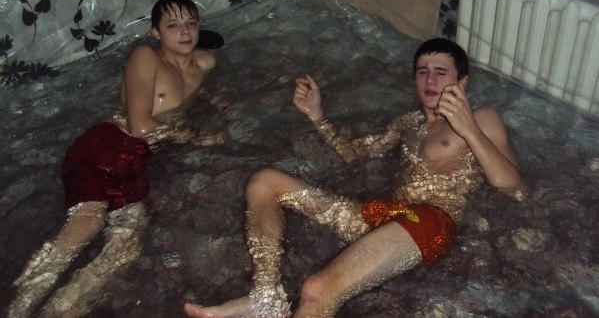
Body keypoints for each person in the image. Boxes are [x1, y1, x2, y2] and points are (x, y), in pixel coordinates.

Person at [183, 38, 525, 318]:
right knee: (265, 181)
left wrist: (468, 128)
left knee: (317, 290)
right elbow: (352, 153)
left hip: (432, 222)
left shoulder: (482, 118)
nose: (430, 81)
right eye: (423, 72)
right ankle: (265, 297)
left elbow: (514, 188)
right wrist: (318, 116)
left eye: (441, 72)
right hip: (388, 215)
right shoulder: (407, 124)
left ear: (462, 82)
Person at [9, 0, 225, 318]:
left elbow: (200, 85)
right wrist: (196, 136)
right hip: (107, 143)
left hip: (135, 160)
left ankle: (57, 311)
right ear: (155, 32)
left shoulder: (205, 64)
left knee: (125, 248)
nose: (184, 31)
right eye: (173, 25)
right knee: (88, 222)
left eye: (191, 23)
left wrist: (220, 105)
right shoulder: (145, 56)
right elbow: (139, 126)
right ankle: (18, 308)